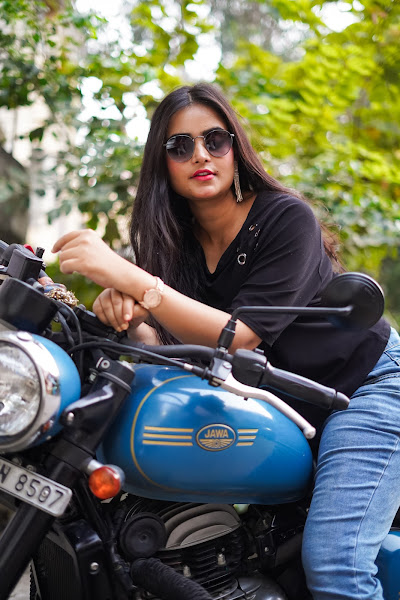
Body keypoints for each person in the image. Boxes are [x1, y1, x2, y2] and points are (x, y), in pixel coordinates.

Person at [52, 83, 400, 600]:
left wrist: (134, 281)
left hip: (362, 388)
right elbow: (166, 346)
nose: (200, 155)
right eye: (180, 146)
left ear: (235, 148)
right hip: (283, 404)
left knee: (334, 562)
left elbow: (241, 337)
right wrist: (130, 314)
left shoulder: (285, 218)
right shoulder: (174, 248)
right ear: (163, 163)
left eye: (214, 140)